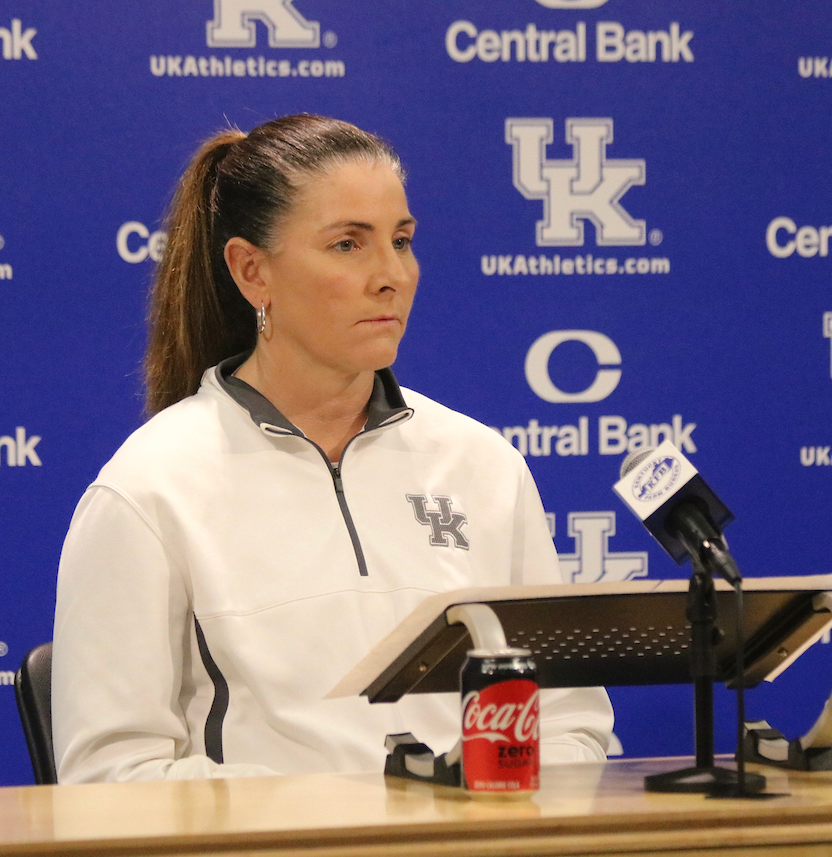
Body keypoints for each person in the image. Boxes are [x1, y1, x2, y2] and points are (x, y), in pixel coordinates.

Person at [51, 114, 613, 783]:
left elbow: (571, 727)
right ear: (252, 270)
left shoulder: (483, 464)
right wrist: (327, 814)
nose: (392, 275)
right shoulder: (150, 488)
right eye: (348, 245)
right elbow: (110, 774)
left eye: (402, 241)